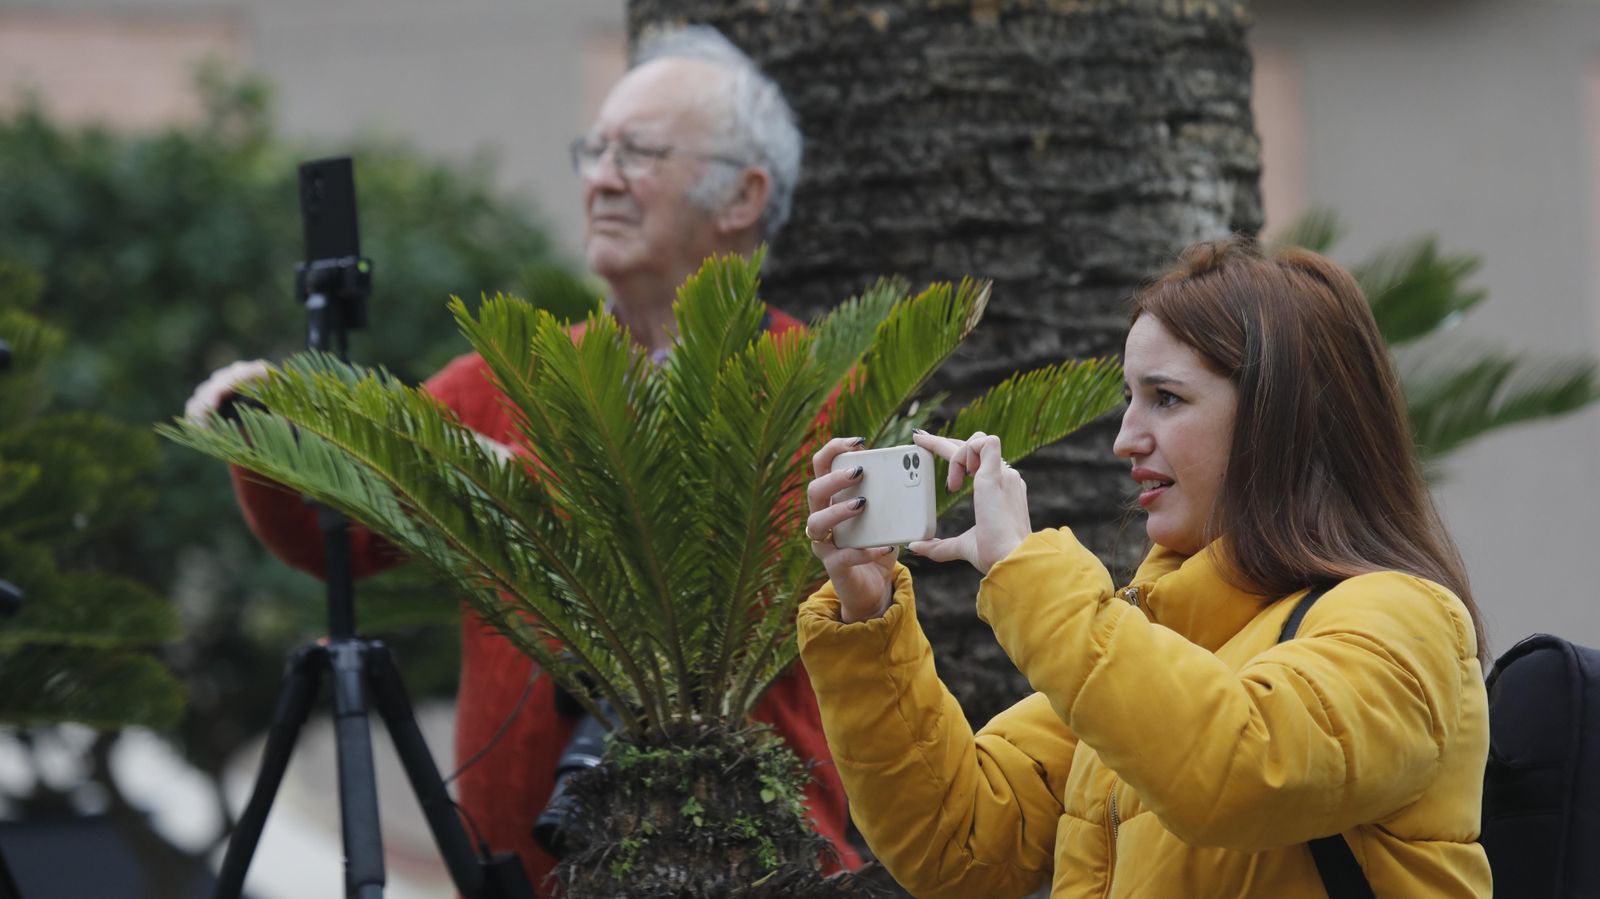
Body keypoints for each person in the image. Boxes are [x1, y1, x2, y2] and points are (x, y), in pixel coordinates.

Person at [186, 25, 860, 892]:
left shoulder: (820, 387)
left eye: (639, 152)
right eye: (595, 149)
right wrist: (269, 441)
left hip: (749, 872)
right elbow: (344, 538)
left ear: (742, 195)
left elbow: (761, 578)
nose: (602, 177)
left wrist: (509, 483)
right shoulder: (504, 378)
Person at [796, 237, 1492, 898]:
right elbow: (958, 844)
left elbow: (1245, 771)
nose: (1125, 438)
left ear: (1278, 417)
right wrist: (869, 613)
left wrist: (1026, 568)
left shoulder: (1407, 621)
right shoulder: (1154, 639)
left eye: (1166, 398)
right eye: (1130, 398)